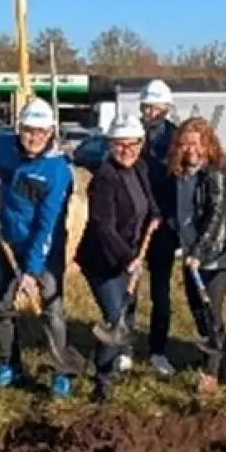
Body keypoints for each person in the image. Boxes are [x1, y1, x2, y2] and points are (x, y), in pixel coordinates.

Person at [0, 97, 76, 398]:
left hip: (44, 246)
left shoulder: (57, 171)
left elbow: (46, 226)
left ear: (51, 133)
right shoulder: (1, 146)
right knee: (1, 305)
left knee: (50, 306)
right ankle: (9, 362)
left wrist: (32, 272)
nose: (34, 138)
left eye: (41, 132)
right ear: (19, 129)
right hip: (6, 238)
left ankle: (60, 368)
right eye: (28, 131)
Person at [76, 114, 158, 404]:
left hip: (130, 255)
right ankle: (102, 381)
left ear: (140, 144)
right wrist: (128, 258)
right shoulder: (104, 178)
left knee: (127, 312)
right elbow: (104, 227)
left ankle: (118, 362)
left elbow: (149, 202)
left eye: (132, 144)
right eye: (120, 145)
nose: (127, 150)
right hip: (102, 261)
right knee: (114, 317)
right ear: (110, 145)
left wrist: (156, 216)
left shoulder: (140, 169)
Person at [165, 116, 226, 394]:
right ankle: (219, 361)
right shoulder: (180, 173)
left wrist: (199, 251)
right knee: (197, 311)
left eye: (196, 143)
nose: (191, 150)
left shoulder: (216, 174)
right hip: (190, 254)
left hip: (216, 254)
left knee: (211, 311)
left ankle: (209, 375)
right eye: (185, 144)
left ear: (208, 144)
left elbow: (216, 217)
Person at [136, 78, 180, 377]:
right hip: (133, 224)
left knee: (160, 292)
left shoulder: (176, 139)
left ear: (166, 107)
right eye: (146, 106)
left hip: (163, 225)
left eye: (155, 106)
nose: (150, 111)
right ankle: (122, 347)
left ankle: (158, 350)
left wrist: (169, 218)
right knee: (127, 288)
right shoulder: (132, 133)